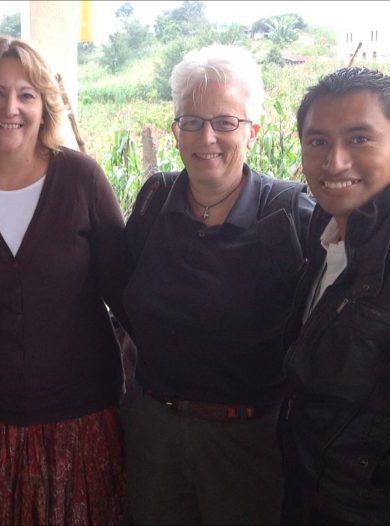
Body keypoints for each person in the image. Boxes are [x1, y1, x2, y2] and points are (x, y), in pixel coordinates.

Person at [0, 36, 130, 525]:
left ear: (44, 106)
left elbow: (124, 295)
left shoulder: (82, 180)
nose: (10, 107)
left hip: (84, 421)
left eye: (26, 94)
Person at [121, 44, 315, 525]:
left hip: (248, 444)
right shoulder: (152, 204)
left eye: (225, 121)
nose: (207, 136)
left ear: (254, 130)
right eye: (191, 120)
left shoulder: (291, 214)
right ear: (175, 131)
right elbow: (121, 300)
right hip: (154, 435)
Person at [279, 67, 390, 525]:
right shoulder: (321, 236)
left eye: (360, 139)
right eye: (318, 141)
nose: (335, 161)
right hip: (313, 493)